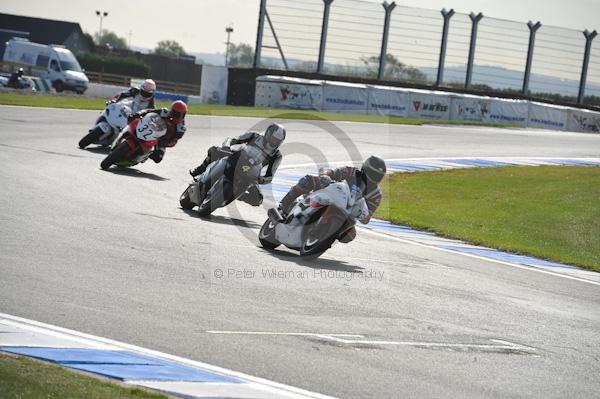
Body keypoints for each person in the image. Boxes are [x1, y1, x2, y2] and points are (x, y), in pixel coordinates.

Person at [277, 155, 386, 242]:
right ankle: (285, 204)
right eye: (373, 174)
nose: (374, 178)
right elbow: (332, 172)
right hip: (331, 195)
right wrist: (326, 176)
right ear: (365, 169)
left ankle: (325, 238)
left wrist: (364, 216)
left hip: (347, 214)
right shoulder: (351, 172)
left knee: (350, 235)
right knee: (308, 180)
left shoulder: (376, 195)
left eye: (378, 176)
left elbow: (367, 218)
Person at [189, 123, 286, 206]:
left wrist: (261, 179)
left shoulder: (276, 155)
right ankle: (201, 169)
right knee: (214, 150)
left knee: (258, 199)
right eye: (273, 139)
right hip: (237, 159)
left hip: (251, 173)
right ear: (268, 134)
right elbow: (234, 139)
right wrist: (227, 146)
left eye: (277, 141)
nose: (274, 142)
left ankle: (239, 195)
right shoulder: (254, 136)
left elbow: (270, 175)